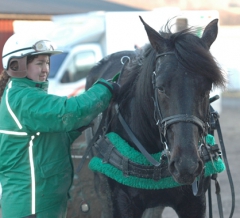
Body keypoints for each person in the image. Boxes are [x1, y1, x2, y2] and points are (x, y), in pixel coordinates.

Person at [0, 33, 118, 218]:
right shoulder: (23, 98)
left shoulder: (23, 93)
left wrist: (77, 127)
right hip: (32, 206)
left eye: (47, 63)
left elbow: (45, 138)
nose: (45, 69)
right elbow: (70, 111)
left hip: (44, 200)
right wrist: (107, 86)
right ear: (17, 65)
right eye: (39, 63)